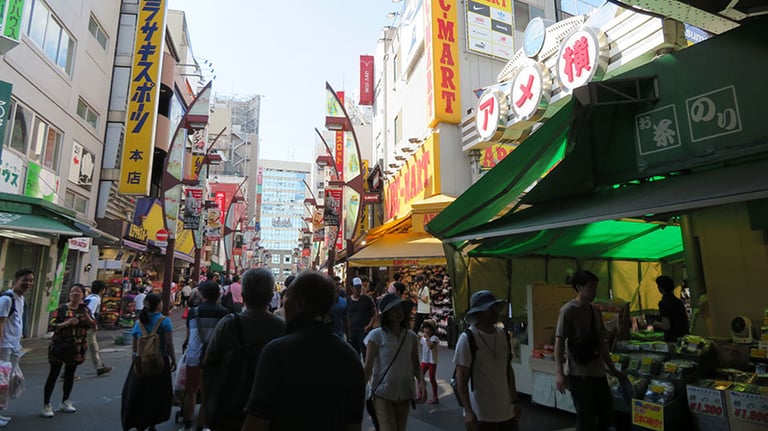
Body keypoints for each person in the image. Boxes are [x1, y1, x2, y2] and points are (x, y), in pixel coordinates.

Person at [242, 271, 365, 431]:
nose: (284, 305)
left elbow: (257, 420)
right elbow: (354, 423)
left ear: (299, 303)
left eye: (287, 299)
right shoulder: (350, 357)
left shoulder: (277, 352)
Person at [203, 268, 286, 431]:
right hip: (268, 412)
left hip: (230, 405)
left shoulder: (228, 324)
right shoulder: (282, 327)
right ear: (271, 297)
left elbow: (208, 365)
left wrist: (208, 405)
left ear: (243, 295)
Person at [555, 270, 624, 431]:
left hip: (598, 373)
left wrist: (613, 370)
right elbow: (559, 341)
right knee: (586, 418)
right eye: (591, 287)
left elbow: (602, 343)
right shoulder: (568, 310)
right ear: (579, 287)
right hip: (579, 374)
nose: (594, 291)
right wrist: (559, 373)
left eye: (595, 288)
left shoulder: (595, 311)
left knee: (606, 416)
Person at [454, 290, 520, 431]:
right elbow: (461, 377)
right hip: (480, 413)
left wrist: (514, 400)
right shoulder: (468, 338)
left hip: (506, 411)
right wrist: (468, 411)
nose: (494, 312)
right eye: (489, 309)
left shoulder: (503, 336)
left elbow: (508, 369)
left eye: (494, 308)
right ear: (478, 314)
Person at [364, 293, 424, 431]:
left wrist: (421, 381)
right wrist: (358, 392)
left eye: (400, 308)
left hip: (405, 391)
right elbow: (368, 367)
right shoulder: (375, 336)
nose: (398, 312)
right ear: (386, 314)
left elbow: (416, 364)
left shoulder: (411, 337)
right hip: (382, 392)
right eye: (393, 310)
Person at [121, 293, 176, 431]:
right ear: (158, 305)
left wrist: (135, 358)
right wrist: (173, 359)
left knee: (138, 392)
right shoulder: (165, 321)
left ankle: (138, 422)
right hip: (159, 361)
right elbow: (169, 343)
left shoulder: (139, 322)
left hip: (141, 361)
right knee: (157, 393)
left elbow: (134, 344)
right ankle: (152, 422)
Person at [180, 281, 230, 431]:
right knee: (207, 395)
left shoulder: (193, 312)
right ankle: (201, 427)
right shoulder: (225, 313)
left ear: (202, 295)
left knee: (191, 391)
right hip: (214, 358)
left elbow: (188, 335)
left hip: (194, 355)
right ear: (219, 295)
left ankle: (187, 423)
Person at [41, 283, 96, 417]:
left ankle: (65, 401)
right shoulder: (61, 309)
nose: (74, 294)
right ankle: (46, 405)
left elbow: (94, 326)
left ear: (83, 295)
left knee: (70, 375)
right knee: (53, 374)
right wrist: (67, 323)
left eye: (78, 292)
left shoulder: (85, 310)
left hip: (76, 347)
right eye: (72, 291)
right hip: (60, 346)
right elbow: (52, 325)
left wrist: (86, 315)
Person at [0, 269, 35, 427]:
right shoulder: (6, 299)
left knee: (8, 381)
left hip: (14, 346)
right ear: (16, 280)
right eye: (25, 279)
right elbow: (1, 324)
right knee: (1, 382)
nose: (28, 283)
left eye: (31, 280)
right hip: (4, 347)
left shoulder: (20, 298)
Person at [84, 280, 114, 376]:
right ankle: (99, 367)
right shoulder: (95, 299)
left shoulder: (89, 297)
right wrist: (93, 323)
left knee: (91, 347)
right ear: (102, 290)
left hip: (85, 326)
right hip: (88, 326)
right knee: (92, 347)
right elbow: (89, 312)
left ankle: (99, 366)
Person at [652, 275, 690, 342]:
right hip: (684, 337)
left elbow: (666, 326)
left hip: (673, 339)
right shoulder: (678, 301)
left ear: (661, 288)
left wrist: (656, 324)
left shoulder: (663, 303)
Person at [347, 277, 377, 361]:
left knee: (365, 353)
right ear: (352, 288)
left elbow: (374, 313)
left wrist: (370, 325)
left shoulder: (367, 299)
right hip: (353, 330)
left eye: (360, 287)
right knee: (354, 354)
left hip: (364, 330)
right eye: (356, 287)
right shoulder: (349, 300)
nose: (358, 290)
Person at [420, 319, 440, 404]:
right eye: (424, 328)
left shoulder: (434, 338)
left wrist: (427, 338)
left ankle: (435, 397)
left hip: (432, 362)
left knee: (432, 379)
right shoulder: (423, 338)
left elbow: (430, 346)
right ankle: (420, 394)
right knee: (420, 377)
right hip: (424, 360)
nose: (425, 330)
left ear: (432, 330)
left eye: (428, 328)